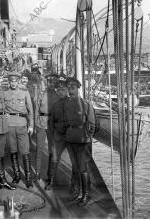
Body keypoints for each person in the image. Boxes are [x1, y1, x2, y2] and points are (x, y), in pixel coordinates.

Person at [63, 77, 97, 206]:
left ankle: (86, 195)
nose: (70, 90)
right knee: (76, 168)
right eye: (69, 88)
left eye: (73, 87)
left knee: (83, 168)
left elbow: (92, 123)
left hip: (83, 140)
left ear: (78, 89)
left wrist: (88, 137)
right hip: (71, 138)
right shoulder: (66, 105)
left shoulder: (86, 104)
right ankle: (78, 193)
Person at [4, 71, 34, 188]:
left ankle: (28, 177)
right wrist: (4, 115)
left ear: (18, 81)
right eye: (11, 81)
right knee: (13, 151)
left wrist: (31, 125)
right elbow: (1, 107)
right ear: (9, 82)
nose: (13, 83)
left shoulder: (24, 92)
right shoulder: (5, 93)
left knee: (25, 151)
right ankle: (17, 176)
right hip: (10, 124)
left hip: (22, 124)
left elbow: (30, 110)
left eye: (15, 81)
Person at [34, 73, 60, 189]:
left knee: (51, 151)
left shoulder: (58, 96)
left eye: (53, 82)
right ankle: (37, 173)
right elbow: (36, 110)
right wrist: (34, 125)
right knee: (39, 149)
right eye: (49, 82)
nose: (50, 84)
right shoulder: (41, 94)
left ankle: (51, 176)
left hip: (52, 125)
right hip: (41, 123)